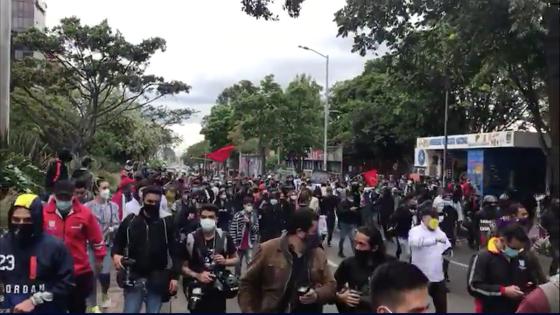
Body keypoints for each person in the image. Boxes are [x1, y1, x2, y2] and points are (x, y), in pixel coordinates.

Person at [238, 208, 336, 313]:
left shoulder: (318, 253)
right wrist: (249, 310)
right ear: (300, 232)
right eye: (314, 232)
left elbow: (331, 286)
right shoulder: (268, 249)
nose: (318, 236)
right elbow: (247, 283)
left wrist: (317, 294)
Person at [0, 194, 74, 313]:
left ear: (37, 219)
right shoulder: (2, 245)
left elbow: (67, 283)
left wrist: (35, 300)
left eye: (27, 220)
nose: (21, 224)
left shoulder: (54, 247)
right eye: (16, 219)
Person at [112, 185, 180, 313]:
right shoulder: (131, 221)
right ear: (143, 200)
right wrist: (116, 255)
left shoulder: (166, 222)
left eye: (156, 202)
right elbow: (118, 243)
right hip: (134, 275)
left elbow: (175, 251)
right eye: (150, 201)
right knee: (130, 310)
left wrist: (175, 276)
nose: (153, 204)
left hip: (158, 277)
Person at [42, 180, 106, 313]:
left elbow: (97, 238)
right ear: (54, 195)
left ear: (73, 196)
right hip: (52, 272)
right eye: (60, 197)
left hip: (78, 272)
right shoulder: (44, 214)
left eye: (67, 197)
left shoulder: (84, 213)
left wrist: (100, 259)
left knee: (77, 307)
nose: (63, 200)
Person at [467, 223, 542, 313]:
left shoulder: (523, 257)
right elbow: (473, 287)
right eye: (514, 248)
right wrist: (503, 291)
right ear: (502, 240)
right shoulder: (482, 257)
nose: (517, 252)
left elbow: (532, 281)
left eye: (520, 249)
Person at [181, 204, 239, 313]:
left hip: (218, 289)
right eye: (204, 217)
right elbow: (183, 267)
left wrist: (225, 261)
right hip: (197, 289)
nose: (207, 220)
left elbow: (236, 259)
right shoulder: (191, 238)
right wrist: (198, 275)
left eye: (211, 217)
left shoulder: (225, 237)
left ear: (217, 219)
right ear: (199, 218)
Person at [334, 225, 394, 313]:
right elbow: (333, 287)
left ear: (375, 248)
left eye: (361, 244)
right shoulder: (348, 264)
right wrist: (341, 297)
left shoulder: (391, 264)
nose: (357, 247)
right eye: (355, 243)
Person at [85, 178, 120, 312]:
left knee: (104, 274)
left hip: (106, 245)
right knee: (91, 275)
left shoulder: (113, 207)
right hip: (91, 246)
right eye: (103, 188)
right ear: (96, 190)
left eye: (107, 187)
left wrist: (112, 229)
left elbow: (117, 223)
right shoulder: (87, 207)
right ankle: (92, 304)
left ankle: (105, 293)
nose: (106, 190)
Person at [408, 208, 451, 313]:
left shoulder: (439, 231)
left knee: (442, 308)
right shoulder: (415, 231)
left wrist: (448, 252)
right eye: (432, 219)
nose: (434, 222)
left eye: (436, 219)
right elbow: (414, 242)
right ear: (424, 218)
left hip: (437, 277)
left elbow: (447, 245)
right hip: (420, 277)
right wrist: (434, 240)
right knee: (417, 308)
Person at [229, 197, 259, 276]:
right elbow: (233, 229)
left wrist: (250, 223)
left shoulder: (254, 216)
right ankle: (237, 278)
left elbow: (256, 230)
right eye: (248, 205)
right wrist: (234, 243)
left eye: (251, 205)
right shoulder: (238, 215)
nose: (249, 207)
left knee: (250, 262)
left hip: (249, 243)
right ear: (244, 205)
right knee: (237, 263)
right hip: (239, 244)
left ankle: (249, 278)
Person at [337, 190, 360, 258]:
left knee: (352, 239)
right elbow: (340, 212)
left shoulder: (354, 203)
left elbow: (357, 213)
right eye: (351, 197)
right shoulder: (342, 203)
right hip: (344, 223)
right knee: (342, 238)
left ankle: (356, 254)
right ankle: (340, 251)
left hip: (352, 223)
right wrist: (350, 210)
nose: (352, 198)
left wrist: (356, 211)